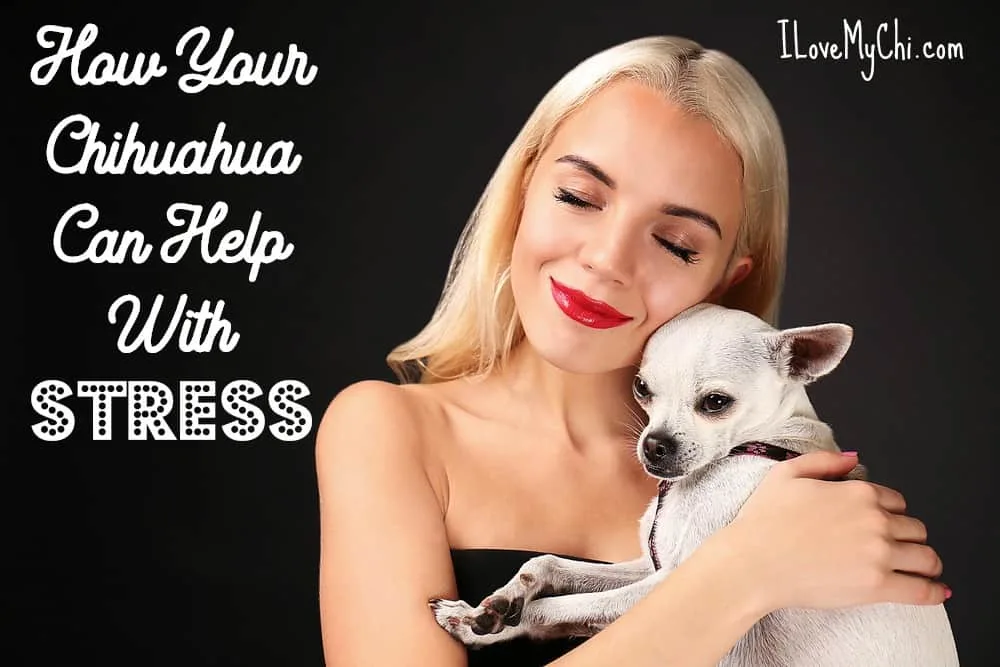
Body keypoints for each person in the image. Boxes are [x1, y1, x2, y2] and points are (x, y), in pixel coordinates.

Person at [315, 36, 949, 666]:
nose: (607, 260)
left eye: (675, 243)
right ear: (521, 196)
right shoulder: (391, 431)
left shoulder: (768, 472)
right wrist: (741, 574)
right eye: (578, 198)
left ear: (727, 281)